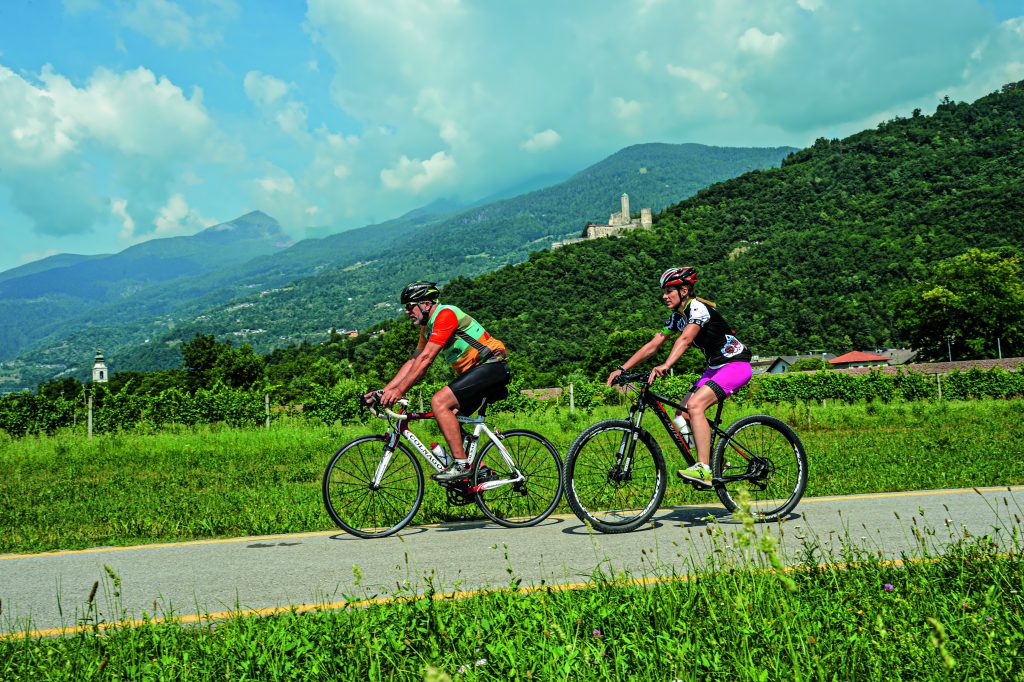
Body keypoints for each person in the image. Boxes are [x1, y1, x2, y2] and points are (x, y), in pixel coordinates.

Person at [606, 266, 752, 486]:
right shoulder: (677, 317)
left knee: (695, 406)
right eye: (663, 292)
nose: (664, 296)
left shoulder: (698, 309)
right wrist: (623, 369)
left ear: (684, 290)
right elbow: (653, 345)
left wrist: (666, 364)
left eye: (669, 291)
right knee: (682, 413)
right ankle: (715, 462)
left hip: (735, 365)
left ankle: (703, 469)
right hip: (715, 368)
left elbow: (684, 340)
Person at [374, 280, 511, 482]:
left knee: (439, 402)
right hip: (479, 370)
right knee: (449, 419)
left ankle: (461, 464)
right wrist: (385, 391)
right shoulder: (427, 329)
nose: (407, 312)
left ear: (426, 304)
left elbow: (426, 359)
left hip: (492, 365)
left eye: (410, 306)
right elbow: (413, 362)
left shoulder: (445, 315)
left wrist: (400, 391)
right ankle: (480, 471)